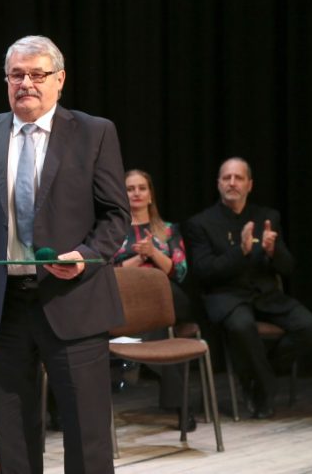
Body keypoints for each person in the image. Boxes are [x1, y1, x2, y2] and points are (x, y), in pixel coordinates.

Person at [0, 35, 129, 474]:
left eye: (37, 74)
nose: (26, 84)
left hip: (74, 300)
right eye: (16, 75)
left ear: (60, 79)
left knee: (87, 433)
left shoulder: (94, 132)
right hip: (5, 306)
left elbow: (115, 216)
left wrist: (84, 256)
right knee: (13, 434)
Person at [183, 157, 312, 418]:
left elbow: (288, 267)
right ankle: (264, 390)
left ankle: (261, 378)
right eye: (227, 178)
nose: (232, 183)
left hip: (266, 295)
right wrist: (241, 251)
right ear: (218, 184)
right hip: (226, 296)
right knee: (241, 326)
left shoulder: (267, 217)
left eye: (239, 178)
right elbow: (204, 271)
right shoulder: (200, 223)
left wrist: (273, 250)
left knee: (309, 326)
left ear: (250, 184)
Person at [113, 169, 195, 430]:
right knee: (160, 333)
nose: (136, 193)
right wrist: (139, 258)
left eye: (142, 188)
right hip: (125, 301)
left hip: (166, 299)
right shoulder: (113, 231)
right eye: (130, 188)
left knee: (160, 312)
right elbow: (105, 273)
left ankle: (134, 367)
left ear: (150, 195)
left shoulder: (167, 230)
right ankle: (181, 407)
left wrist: (153, 253)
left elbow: (179, 271)